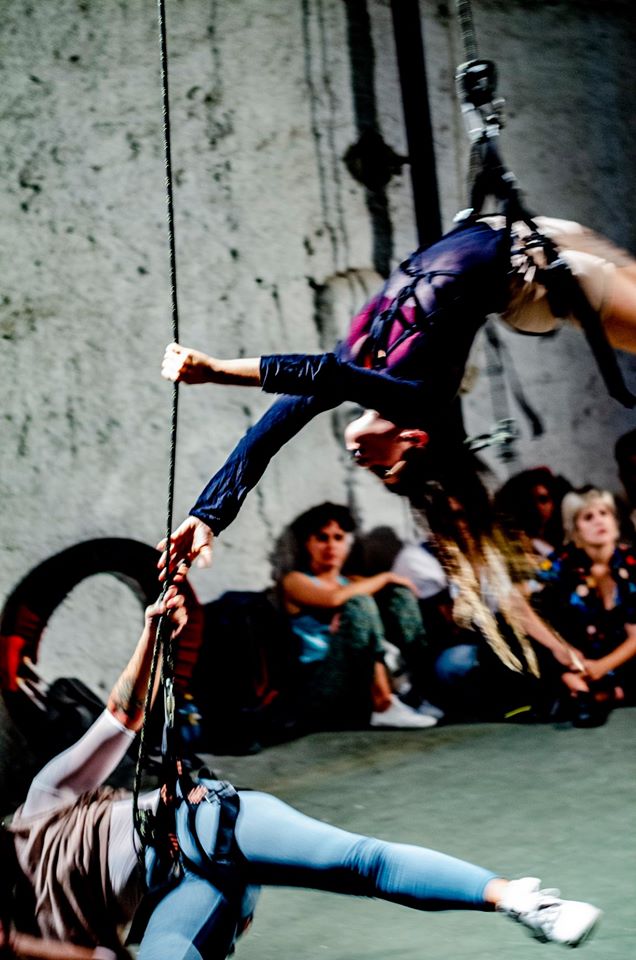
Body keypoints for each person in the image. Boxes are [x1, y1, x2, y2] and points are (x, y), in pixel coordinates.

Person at [1, 588, 603, 958]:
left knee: (361, 863)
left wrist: (152, 636)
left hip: (205, 823)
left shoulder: (40, 804)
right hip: (184, 897)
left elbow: (121, 717)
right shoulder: (33, 935)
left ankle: (525, 902)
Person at [157, 215, 636, 573]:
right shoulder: (419, 398)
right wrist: (216, 371)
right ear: (413, 439)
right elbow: (323, 375)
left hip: (527, 232)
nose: (365, 464)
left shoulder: (363, 364)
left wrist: (208, 516)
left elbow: (268, 432)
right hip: (541, 277)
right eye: (386, 469)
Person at [278, 502, 437, 730]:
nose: (331, 546)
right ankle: (383, 705)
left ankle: (423, 691)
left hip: (358, 678)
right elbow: (334, 599)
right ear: (307, 543)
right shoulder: (295, 581)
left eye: (338, 538)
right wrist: (386, 577)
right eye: (322, 538)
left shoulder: (352, 582)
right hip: (320, 681)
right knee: (360, 602)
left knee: (398, 595)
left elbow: (385, 609)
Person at [535, 487, 636, 727]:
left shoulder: (631, 562)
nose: (599, 521)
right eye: (588, 517)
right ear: (575, 529)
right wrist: (560, 647)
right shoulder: (560, 563)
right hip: (576, 658)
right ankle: (585, 691)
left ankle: (593, 694)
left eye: (604, 513)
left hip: (623, 660)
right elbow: (519, 604)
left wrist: (601, 667)